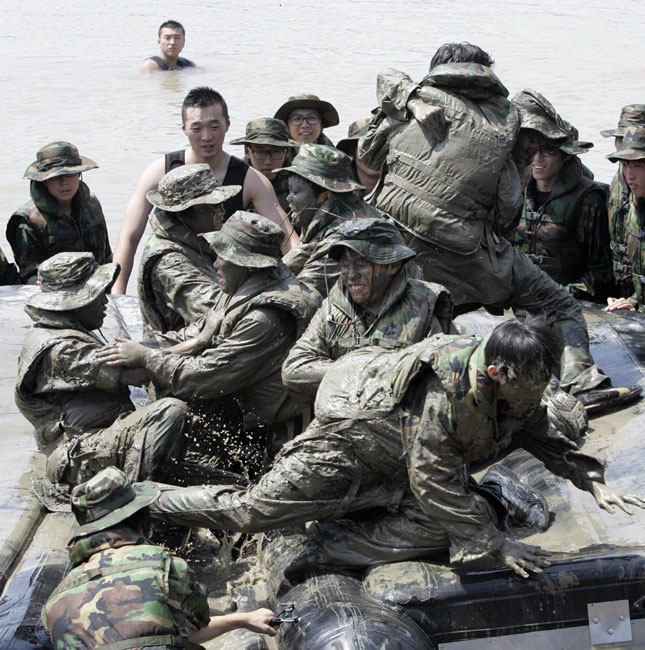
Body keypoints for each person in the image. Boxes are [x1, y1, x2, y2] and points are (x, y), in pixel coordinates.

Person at [149, 317, 644, 578]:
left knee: (462, 522)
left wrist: (590, 480)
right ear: (497, 373)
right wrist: (495, 545)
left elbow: (538, 431)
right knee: (249, 511)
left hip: (396, 454)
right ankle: (145, 498)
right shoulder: (446, 397)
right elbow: (434, 482)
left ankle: (325, 547)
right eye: (529, 387)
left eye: (542, 385)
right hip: (347, 437)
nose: (536, 397)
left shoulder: (520, 384)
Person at [357, 42, 637, 410]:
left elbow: (367, 155)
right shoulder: (502, 119)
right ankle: (581, 383)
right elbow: (508, 206)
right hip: (465, 251)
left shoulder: (410, 104)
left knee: (423, 314)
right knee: (556, 304)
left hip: (391, 245)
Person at [99, 213, 319, 468]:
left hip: (278, 435)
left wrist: (148, 359)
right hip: (246, 412)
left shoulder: (265, 317)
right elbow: (199, 331)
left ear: (246, 263)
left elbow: (207, 376)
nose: (215, 264)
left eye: (223, 257)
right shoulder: (247, 285)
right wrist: (138, 350)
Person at [42, 467, 277, 649]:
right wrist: (243, 619)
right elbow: (194, 629)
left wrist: (243, 619)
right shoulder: (164, 565)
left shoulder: (55, 601)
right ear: (140, 517)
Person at [15, 252, 190, 487]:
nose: (106, 301)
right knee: (170, 411)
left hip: (101, 441)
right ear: (76, 301)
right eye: (98, 294)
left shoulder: (65, 332)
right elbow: (138, 372)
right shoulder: (61, 349)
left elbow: (138, 352)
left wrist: (187, 339)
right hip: (81, 455)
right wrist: (198, 344)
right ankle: (132, 499)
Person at [111, 87, 298, 294]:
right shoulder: (160, 171)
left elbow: (288, 240)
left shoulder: (251, 180)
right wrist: (117, 296)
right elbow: (128, 238)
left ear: (227, 124)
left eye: (214, 126)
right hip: (169, 277)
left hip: (220, 283)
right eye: (197, 128)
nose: (206, 136)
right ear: (184, 128)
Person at [282, 217, 453, 405]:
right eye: (345, 265)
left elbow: (441, 377)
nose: (352, 275)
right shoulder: (333, 306)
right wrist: (366, 371)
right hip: (339, 414)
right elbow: (294, 369)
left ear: (393, 266)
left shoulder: (423, 305)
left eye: (362, 264)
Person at [508, 93, 612, 302]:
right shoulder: (516, 189)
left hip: (567, 301)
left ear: (565, 156)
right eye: (533, 150)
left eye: (548, 152)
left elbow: (601, 270)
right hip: (518, 297)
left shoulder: (588, 199)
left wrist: (561, 295)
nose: (537, 159)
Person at [138, 163, 241, 337]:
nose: (222, 211)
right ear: (184, 213)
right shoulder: (169, 262)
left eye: (221, 204)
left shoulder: (199, 240)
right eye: (213, 207)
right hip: (175, 347)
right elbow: (215, 312)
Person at [278, 144, 381, 297]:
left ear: (325, 196)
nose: (288, 198)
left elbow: (304, 293)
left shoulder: (346, 234)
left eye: (295, 192)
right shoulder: (327, 216)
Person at [6, 142, 112, 284]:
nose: (63, 183)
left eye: (69, 174)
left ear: (79, 174)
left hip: (99, 287)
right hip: (54, 293)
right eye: (55, 177)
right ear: (44, 181)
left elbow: (107, 258)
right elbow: (30, 276)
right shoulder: (28, 220)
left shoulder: (92, 205)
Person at [600, 104, 645, 298]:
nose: (630, 173)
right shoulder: (615, 185)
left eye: (638, 165)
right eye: (620, 139)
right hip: (623, 287)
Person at [230, 117, 299, 212]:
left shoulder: (299, 182)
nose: (268, 161)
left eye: (275, 152)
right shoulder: (232, 180)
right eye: (260, 152)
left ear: (287, 153)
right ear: (247, 152)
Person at [274, 93, 339, 146]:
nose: (305, 125)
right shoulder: (275, 155)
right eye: (297, 119)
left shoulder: (337, 156)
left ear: (321, 125)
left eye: (312, 118)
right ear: (287, 126)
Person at [335, 117, 380, 193]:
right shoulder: (336, 189)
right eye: (365, 147)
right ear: (352, 152)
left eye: (380, 147)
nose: (372, 154)